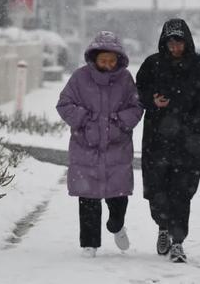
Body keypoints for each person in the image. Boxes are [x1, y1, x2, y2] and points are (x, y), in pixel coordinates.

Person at [136, 18, 200, 263]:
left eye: (179, 41)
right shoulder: (152, 64)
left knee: (182, 191)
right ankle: (163, 227)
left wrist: (192, 117)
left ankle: (178, 242)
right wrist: (153, 101)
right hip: (156, 140)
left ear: (187, 40)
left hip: (187, 141)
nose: (175, 47)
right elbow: (138, 92)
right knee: (157, 189)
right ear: (164, 41)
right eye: (170, 42)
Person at [56, 31, 143, 258]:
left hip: (117, 148)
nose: (107, 65)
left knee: (118, 196)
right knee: (88, 198)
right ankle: (89, 243)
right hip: (85, 147)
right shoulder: (79, 78)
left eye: (111, 61)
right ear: (94, 58)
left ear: (118, 60)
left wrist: (118, 123)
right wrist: (85, 120)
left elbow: (136, 107)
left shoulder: (125, 80)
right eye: (103, 60)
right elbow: (64, 105)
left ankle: (116, 226)